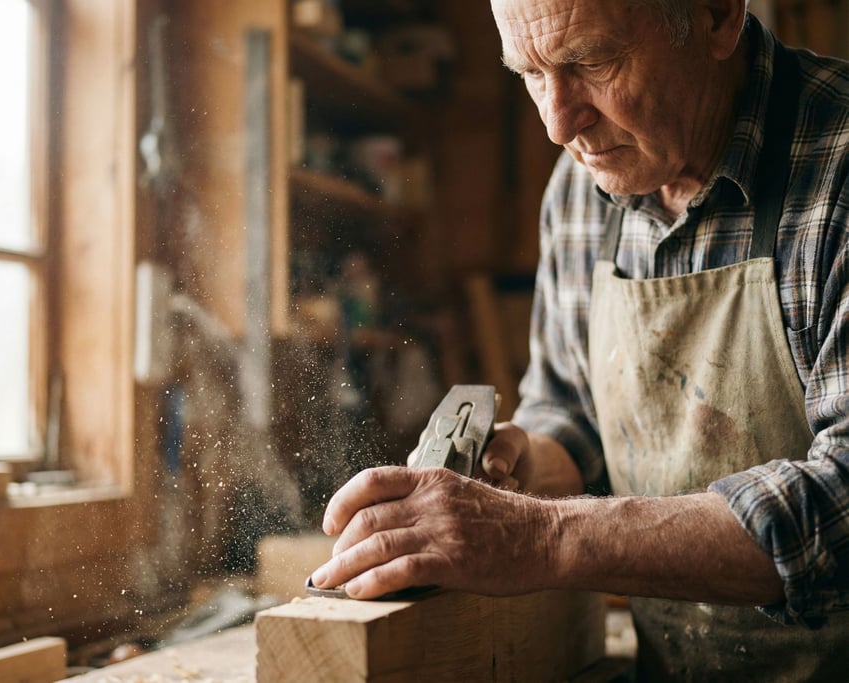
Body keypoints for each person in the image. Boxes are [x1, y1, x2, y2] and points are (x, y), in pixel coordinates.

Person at [310, 0, 849, 679]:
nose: (558, 123)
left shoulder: (837, 166)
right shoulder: (580, 186)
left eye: (591, 63)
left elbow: (841, 504)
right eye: (531, 74)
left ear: (715, 16)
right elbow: (574, 414)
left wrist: (535, 535)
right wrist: (518, 466)